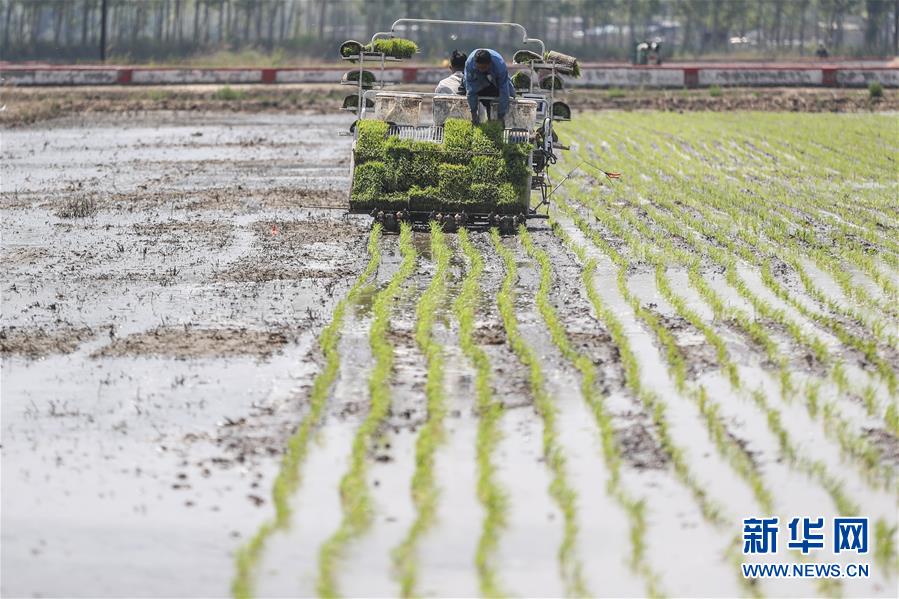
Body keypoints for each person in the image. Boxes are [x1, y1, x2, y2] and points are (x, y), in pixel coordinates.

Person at [464, 48, 515, 124]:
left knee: (510, 93)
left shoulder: (499, 66)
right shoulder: (470, 64)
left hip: (495, 73)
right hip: (477, 76)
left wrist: (501, 116)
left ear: (490, 64)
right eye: (479, 67)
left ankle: (499, 118)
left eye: (483, 67)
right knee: (471, 91)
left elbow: (504, 91)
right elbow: (471, 90)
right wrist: (473, 113)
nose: (481, 70)